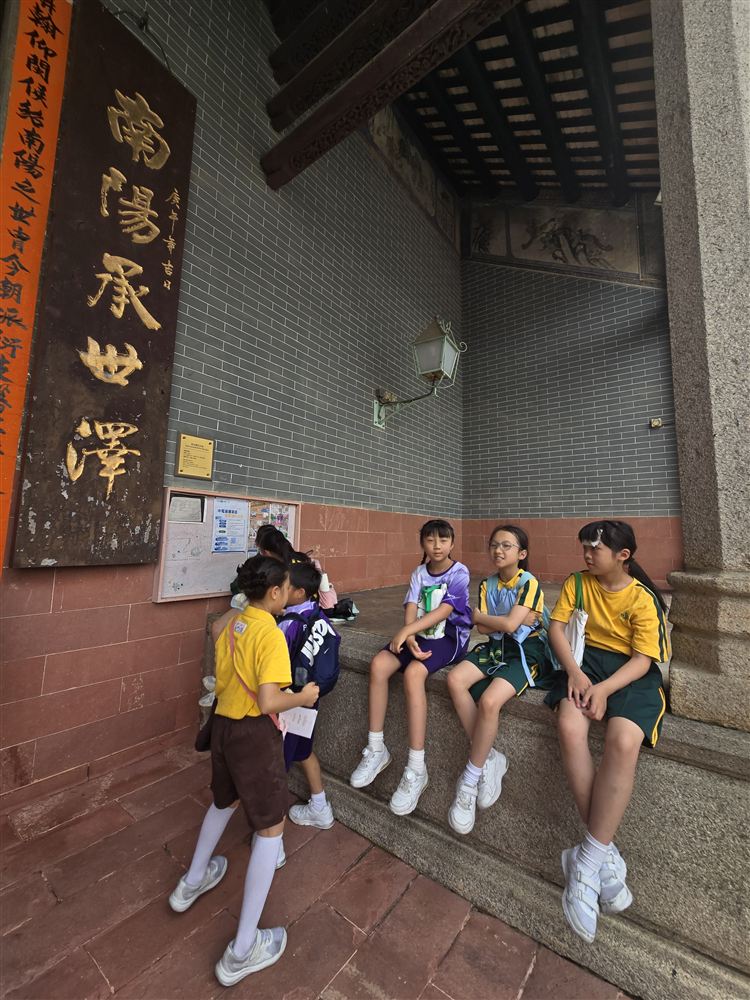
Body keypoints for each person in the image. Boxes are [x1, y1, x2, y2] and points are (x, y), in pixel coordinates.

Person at [168, 555, 319, 987]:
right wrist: (304, 696)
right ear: (275, 592)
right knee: (270, 828)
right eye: (285, 588)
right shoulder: (269, 634)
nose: (288, 595)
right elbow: (270, 700)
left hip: (223, 727)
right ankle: (242, 950)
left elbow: (218, 634)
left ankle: (192, 880)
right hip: (254, 735)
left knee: (224, 800)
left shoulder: (233, 622)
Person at [544, 520, 670, 945]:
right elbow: (556, 628)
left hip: (629, 676)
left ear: (623, 555)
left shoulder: (642, 598)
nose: (586, 555)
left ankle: (584, 864)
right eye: (584, 547)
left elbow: (643, 660)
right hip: (585, 665)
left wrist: (603, 690)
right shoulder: (578, 583)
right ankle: (602, 854)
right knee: (568, 724)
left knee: (623, 739)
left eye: (594, 549)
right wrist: (576, 674)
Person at [349, 519, 471, 816]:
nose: (437, 546)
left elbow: (446, 610)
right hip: (419, 633)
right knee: (380, 664)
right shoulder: (419, 572)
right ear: (422, 544)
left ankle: (416, 767)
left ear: (453, 544)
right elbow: (412, 606)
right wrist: (411, 635)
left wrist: (407, 632)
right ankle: (376, 748)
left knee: (415, 673)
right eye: (430, 540)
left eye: (443, 540)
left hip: (449, 637)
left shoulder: (459, 572)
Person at [446, 525, 551, 835]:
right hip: (495, 648)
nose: (498, 550)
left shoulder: (529, 583)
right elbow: (487, 629)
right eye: (494, 545)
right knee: (455, 680)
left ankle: (469, 779)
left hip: (525, 651)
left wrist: (486, 618)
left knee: (490, 701)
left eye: (506, 545)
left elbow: (502, 624)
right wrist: (500, 622)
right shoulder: (487, 583)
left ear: (522, 553)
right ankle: (490, 757)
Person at [279, 559, 338, 831]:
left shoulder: (288, 624)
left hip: (288, 701)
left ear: (299, 592)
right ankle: (320, 807)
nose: (279, 590)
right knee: (304, 751)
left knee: (277, 765)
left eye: (284, 587)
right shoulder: (317, 614)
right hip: (310, 698)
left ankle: (271, 836)